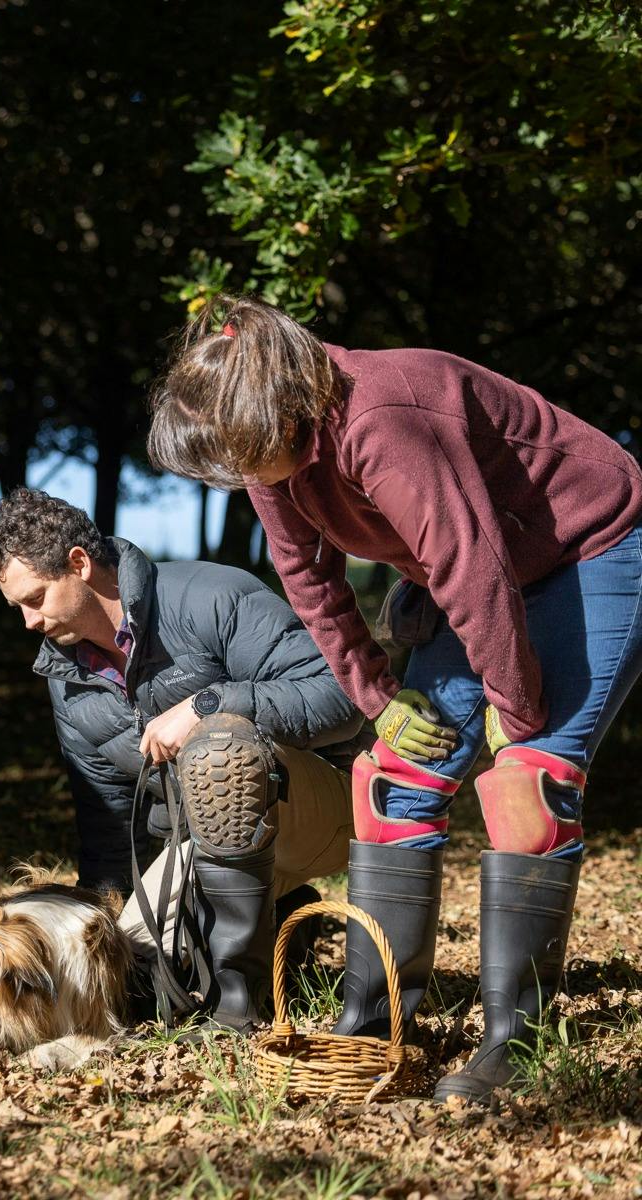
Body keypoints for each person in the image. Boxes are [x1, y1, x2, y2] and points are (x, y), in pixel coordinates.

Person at [148, 294, 642, 1099]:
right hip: (487, 573)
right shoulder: (269, 445)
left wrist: (514, 713)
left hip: (593, 544)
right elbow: (308, 577)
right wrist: (378, 699)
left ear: (272, 412)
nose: (236, 477)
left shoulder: (384, 416)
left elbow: (470, 566)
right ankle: (376, 1026)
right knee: (391, 782)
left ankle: (517, 1045)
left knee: (530, 784)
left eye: (237, 458)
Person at [0, 488, 367, 1032]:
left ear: (79, 565)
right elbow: (107, 817)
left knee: (217, 751)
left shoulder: (212, 597)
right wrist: (96, 933)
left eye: (35, 598)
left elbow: (340, 697)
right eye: (17, 607)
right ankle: (278, 926)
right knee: (133, 980)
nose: (28, 622)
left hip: (325, 808)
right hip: (197, 842)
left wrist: (209, 704)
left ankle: (238, 1008)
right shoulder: (66, 677)